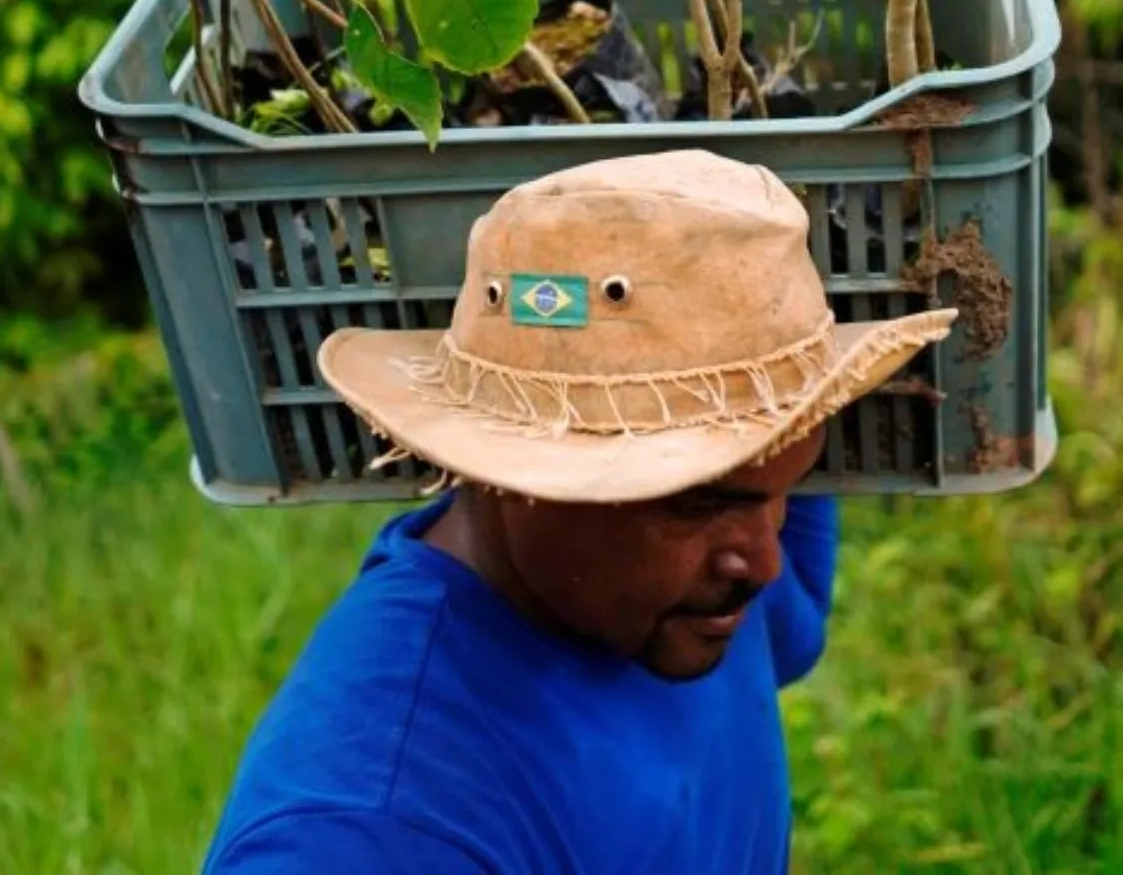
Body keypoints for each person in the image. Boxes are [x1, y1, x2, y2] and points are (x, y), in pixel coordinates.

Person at [201, 149, 958, 873]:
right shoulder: (375, 830)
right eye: (696, 500)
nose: (763, 562)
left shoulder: (697, 586)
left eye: (789, 480)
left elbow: (783, 640)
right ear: (509, 468)